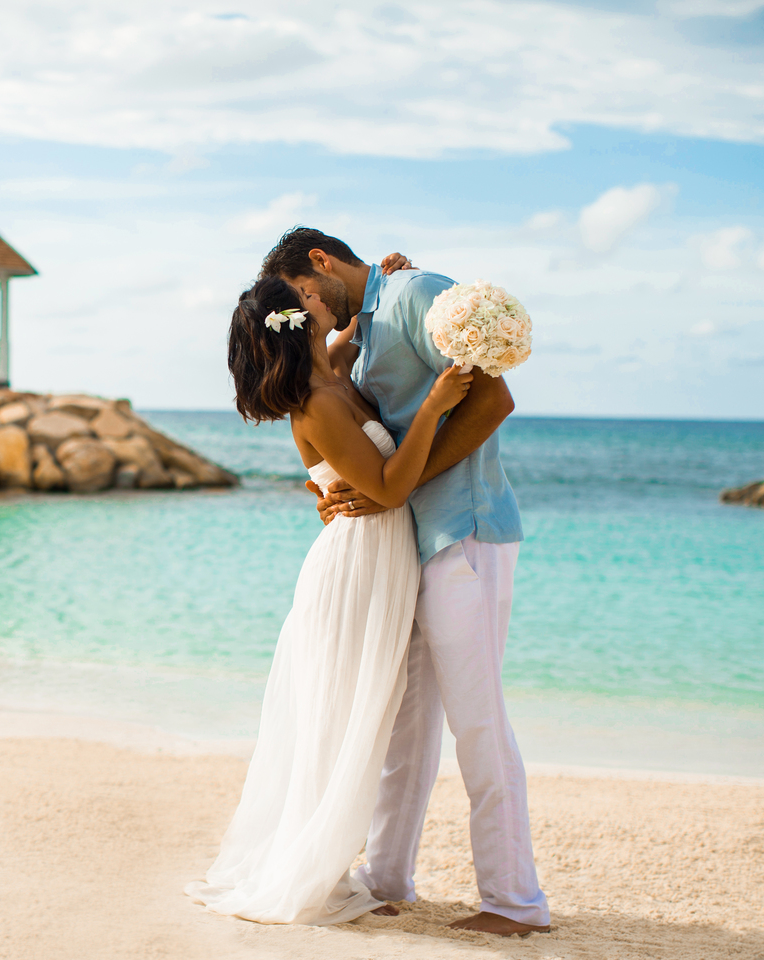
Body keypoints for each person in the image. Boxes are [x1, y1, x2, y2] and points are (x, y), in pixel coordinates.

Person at [260, 227, 549, 935]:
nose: (301, 311)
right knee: (404, 726)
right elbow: (336, 430)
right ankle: (386, 879)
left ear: (319, 265)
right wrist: (327, 488)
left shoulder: (419, 294)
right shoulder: (358, 330)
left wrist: (398, 485)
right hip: (404, 549)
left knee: (477, 721)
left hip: (463, 532)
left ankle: (514, 902)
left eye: (300, 295)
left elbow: (492, 402)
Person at [185, 275, 472, 925]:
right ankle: (318, 871)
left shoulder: (334, 370)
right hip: (356, 566)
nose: (320, 293)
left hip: (378, 559)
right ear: (299, 317)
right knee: (340, 718)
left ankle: (333, 861)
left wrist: (386, 278)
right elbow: (390, 488)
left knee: (355, 716)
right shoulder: (316, 401)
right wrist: (435, 405)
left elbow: (348, 339)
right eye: (307, 295)